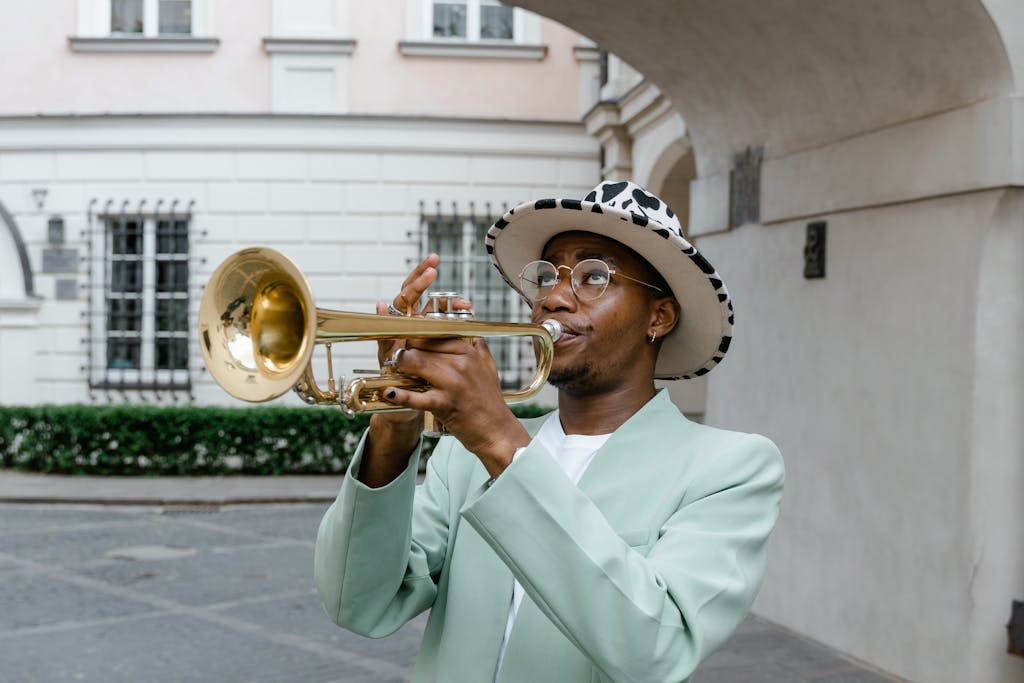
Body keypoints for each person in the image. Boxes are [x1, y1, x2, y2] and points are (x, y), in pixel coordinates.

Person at [314, 180, 785, 682]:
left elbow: (655, 647)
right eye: (546, 276)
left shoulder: (729, 468)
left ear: (659, 316)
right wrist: (395, 421)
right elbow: (358, 604)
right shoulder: (463, 457)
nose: (554, 297)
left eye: (594, 276)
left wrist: (500, 439)